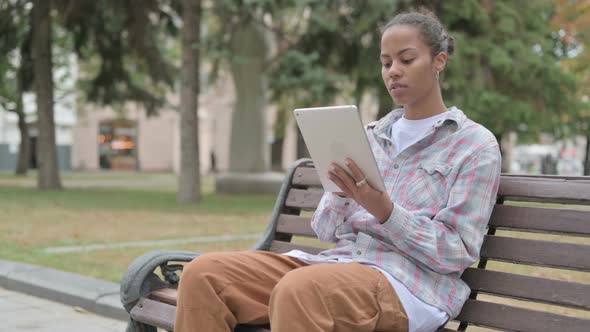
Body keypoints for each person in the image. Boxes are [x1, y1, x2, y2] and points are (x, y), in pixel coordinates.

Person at [174, 8, 501, 332]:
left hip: (411, 287)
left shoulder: (473, 145)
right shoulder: (370, 136)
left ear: (438, 62)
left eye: (406, 59)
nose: (393, 72)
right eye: (386, 63)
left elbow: (456, 252)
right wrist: (341, 193)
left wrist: (386, 212)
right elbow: (326, 230)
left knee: (301, 289)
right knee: (204, 275)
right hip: (339, 265)